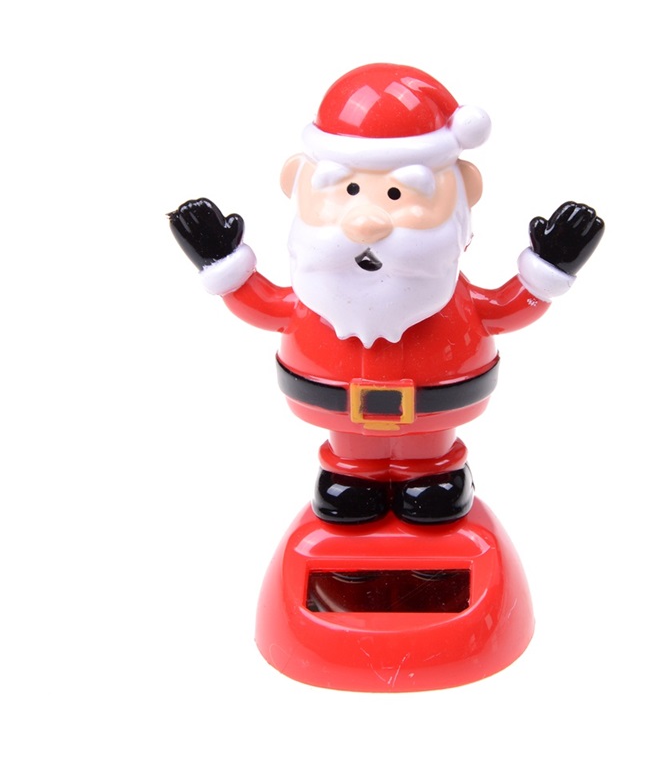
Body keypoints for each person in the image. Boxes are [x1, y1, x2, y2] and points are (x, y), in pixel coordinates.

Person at [169, 63, 604, 524]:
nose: (367, 222)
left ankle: (432, 473)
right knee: (352, 460)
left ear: (466, 191)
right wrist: (220, 260)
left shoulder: (449, 298)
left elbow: (505, 309)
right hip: (339, 410)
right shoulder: (315, 296)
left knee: (428, 460)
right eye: (351, 190)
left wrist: (550, 266)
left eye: (398, 196)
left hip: (434, 412)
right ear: (295, 180)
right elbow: (263, 304)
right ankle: (353, 475)